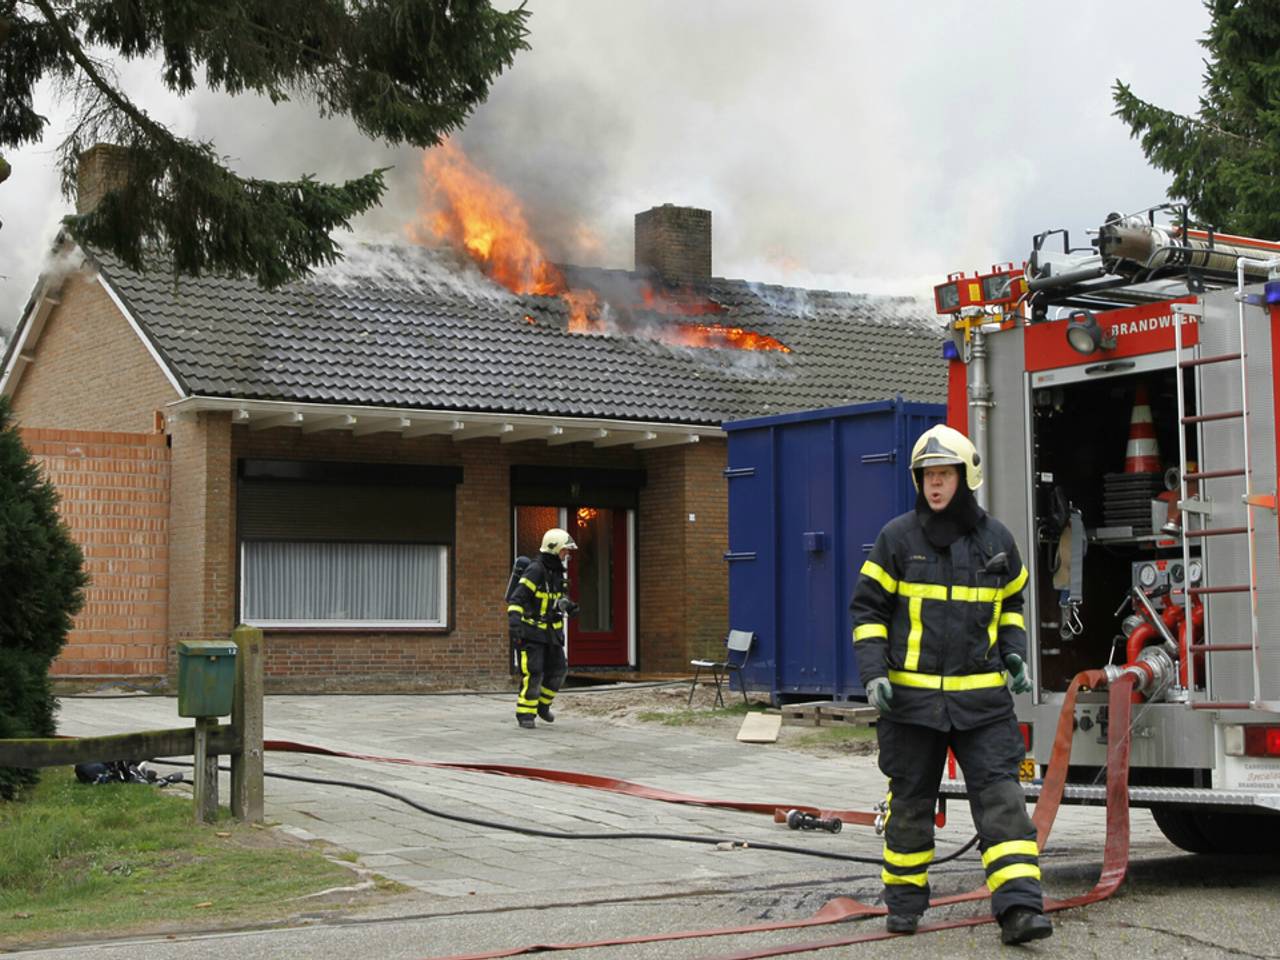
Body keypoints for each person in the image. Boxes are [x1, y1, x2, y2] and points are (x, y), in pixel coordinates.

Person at [849, 424, 1053, 945]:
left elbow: (1012, 604)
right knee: (910, 804)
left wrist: (1014, 653)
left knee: (1003, 800)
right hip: (911, 706)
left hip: (982, 704)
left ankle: (1020, 909)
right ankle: (903, 905)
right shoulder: (897, 539)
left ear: (966, 478)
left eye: (943, 474)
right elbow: (868, 611)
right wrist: (874, 675)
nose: (935, 485)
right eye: (927, 476)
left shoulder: (997, 541)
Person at [508, 528, 579, 729]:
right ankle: (525, 714)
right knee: (534, 672)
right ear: (554, 548)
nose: (567, 554)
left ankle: (542, 706)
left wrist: (569, 606)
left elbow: (557, 598)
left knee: (559, 671)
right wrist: (515, 625)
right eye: (565, 549)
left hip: (552, 633)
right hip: (531, 632)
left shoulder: (556, 571)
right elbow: (517, 599)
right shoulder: (536, 570)